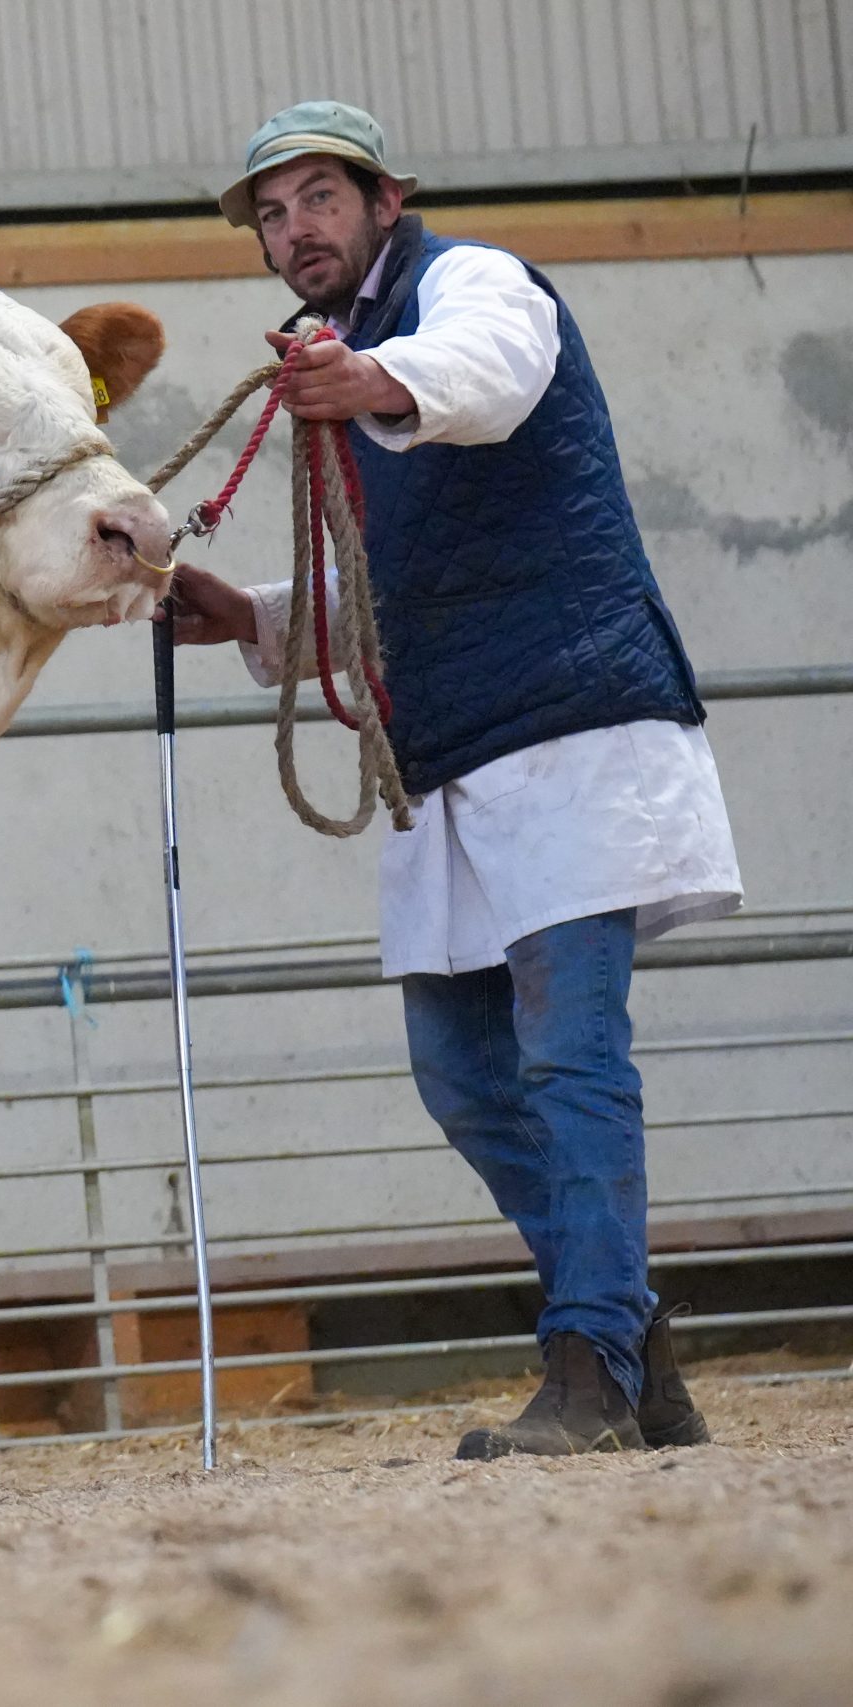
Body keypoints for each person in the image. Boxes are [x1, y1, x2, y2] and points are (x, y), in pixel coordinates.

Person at [164, 101, 743, 1458]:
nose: (292, 228)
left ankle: (591, 1360)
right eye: (269, 210)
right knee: (465, 1072)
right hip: (460, 754)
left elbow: (484, 371)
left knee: (569, 1058)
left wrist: (369, 385)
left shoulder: (467, 285)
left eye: (317, 198)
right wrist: (250, 615)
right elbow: (387, 589)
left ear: (383, 198)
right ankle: (632, 1345)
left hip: (575, 730)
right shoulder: (349, 356)